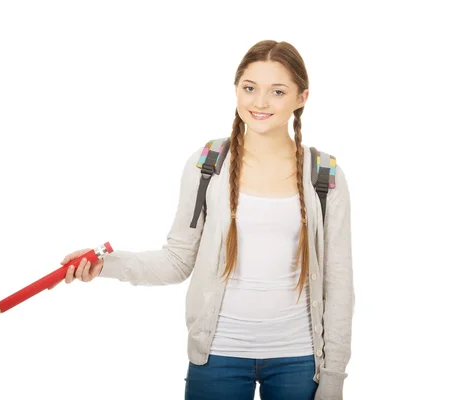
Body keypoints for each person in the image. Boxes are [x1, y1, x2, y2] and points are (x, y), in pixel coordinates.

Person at [52, 40, 354, 400]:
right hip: (218, 355)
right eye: (250, 88)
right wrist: (106, 264)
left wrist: (333, 376)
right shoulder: (208, 164)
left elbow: (338, 284)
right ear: (236, 89)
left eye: (277, 91)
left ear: (301, 97)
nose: (260, 102)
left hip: (300, 360)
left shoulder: (324, 173)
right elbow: (177, 260)